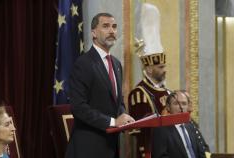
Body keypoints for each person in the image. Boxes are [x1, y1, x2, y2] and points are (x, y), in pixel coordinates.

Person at [65, 13, 135, 158]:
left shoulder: (116, 64)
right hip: (89, 147)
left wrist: (123, 115)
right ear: (94, 33)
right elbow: (78, 107)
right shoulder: (83, 64)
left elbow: (118, 101)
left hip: (111, 146)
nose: (111, 31)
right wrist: (113, 121)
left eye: (114, 27)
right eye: (106, 26)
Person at [128, 3, 171, 158]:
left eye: (165, 66)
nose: (164, 70)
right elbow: (141, 129)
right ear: (149, 69)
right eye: (160, 67)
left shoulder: (168, 91)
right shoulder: (139, 93)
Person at [152, 91, 210, 158]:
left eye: (184, 104)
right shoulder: (161, 130)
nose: (181, 107)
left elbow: (202, 152)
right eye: (176, 104)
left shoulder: (191, 126)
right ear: (168, 107)